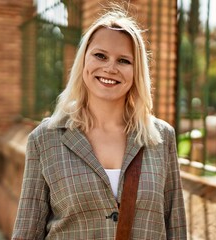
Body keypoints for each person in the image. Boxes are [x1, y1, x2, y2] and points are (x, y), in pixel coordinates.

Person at [12, 8, 187, 240]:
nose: (110, 68)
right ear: (83, 60)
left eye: (124, 60)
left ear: (137, 72)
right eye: (100, 56)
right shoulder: (45, 138)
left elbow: (176, 228)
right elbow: (27, 232)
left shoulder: (161, 137)